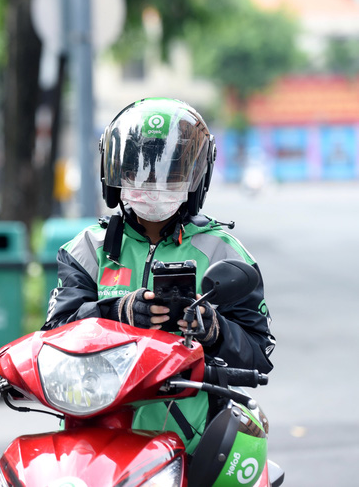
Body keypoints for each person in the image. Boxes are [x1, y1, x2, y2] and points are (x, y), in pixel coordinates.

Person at [43, 97, 275, 454]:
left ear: (197, 176)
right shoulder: (87, 250)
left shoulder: (224, 251)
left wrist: (213, 329)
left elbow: (258, 354)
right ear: (115, 172)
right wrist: (113, 314)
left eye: (171, 171)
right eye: (138, 169)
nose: (153, 180)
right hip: (94, 440)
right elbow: (52, 339)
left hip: (195, 445)